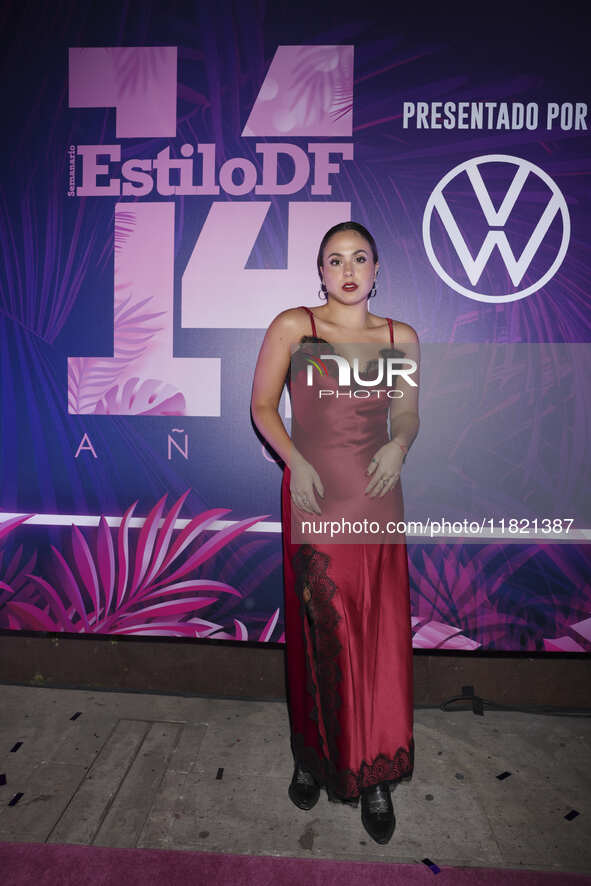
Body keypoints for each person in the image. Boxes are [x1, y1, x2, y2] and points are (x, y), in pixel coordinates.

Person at [250, 221, 420, 845]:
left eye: (359, 259)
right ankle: (312, 758)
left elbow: (406, 409)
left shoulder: (401, 336)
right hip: (317, 500)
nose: (347, 271)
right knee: (325, 632)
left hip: (377, 500)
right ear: (319, 272)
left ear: (377, 269)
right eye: (334, 260)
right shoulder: (297, 326)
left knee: (376, 637)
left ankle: (373, 777)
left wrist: (402, 442)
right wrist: (295, 464)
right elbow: (263, 406)